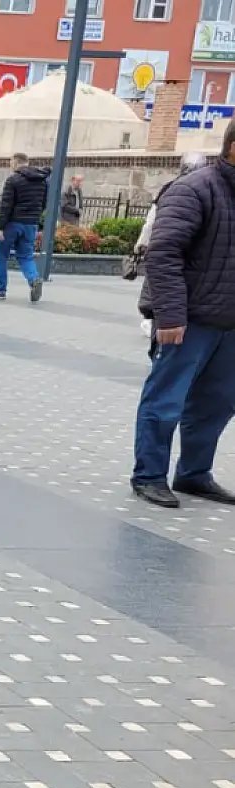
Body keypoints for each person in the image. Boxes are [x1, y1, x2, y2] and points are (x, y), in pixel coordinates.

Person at [130, 124, 235, 510]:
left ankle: (193, 474)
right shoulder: (195, 189)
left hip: (230, 324)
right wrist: (170, 316)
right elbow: (163, 253)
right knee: (166, 401)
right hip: (187, 321)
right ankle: (150, 475)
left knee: (219, 403)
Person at [133, 153, 208, 357]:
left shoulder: (171, 188)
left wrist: (140, 245)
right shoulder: (209, 188)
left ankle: (158, 342)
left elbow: (151, 223)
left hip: (174, 262)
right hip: (193, 266)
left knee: (160, 299)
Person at [0, 152, 48, 302]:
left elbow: (6, 205)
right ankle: (34, 280)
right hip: (31, 224)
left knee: (1, 256)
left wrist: (0, 227)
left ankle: (0, 290)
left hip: (13, 223)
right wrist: (35, 218)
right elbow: (44, 203)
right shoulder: (42, 181)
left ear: (16, 162)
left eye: (11, 162)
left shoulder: (13, 180)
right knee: (26, 256)